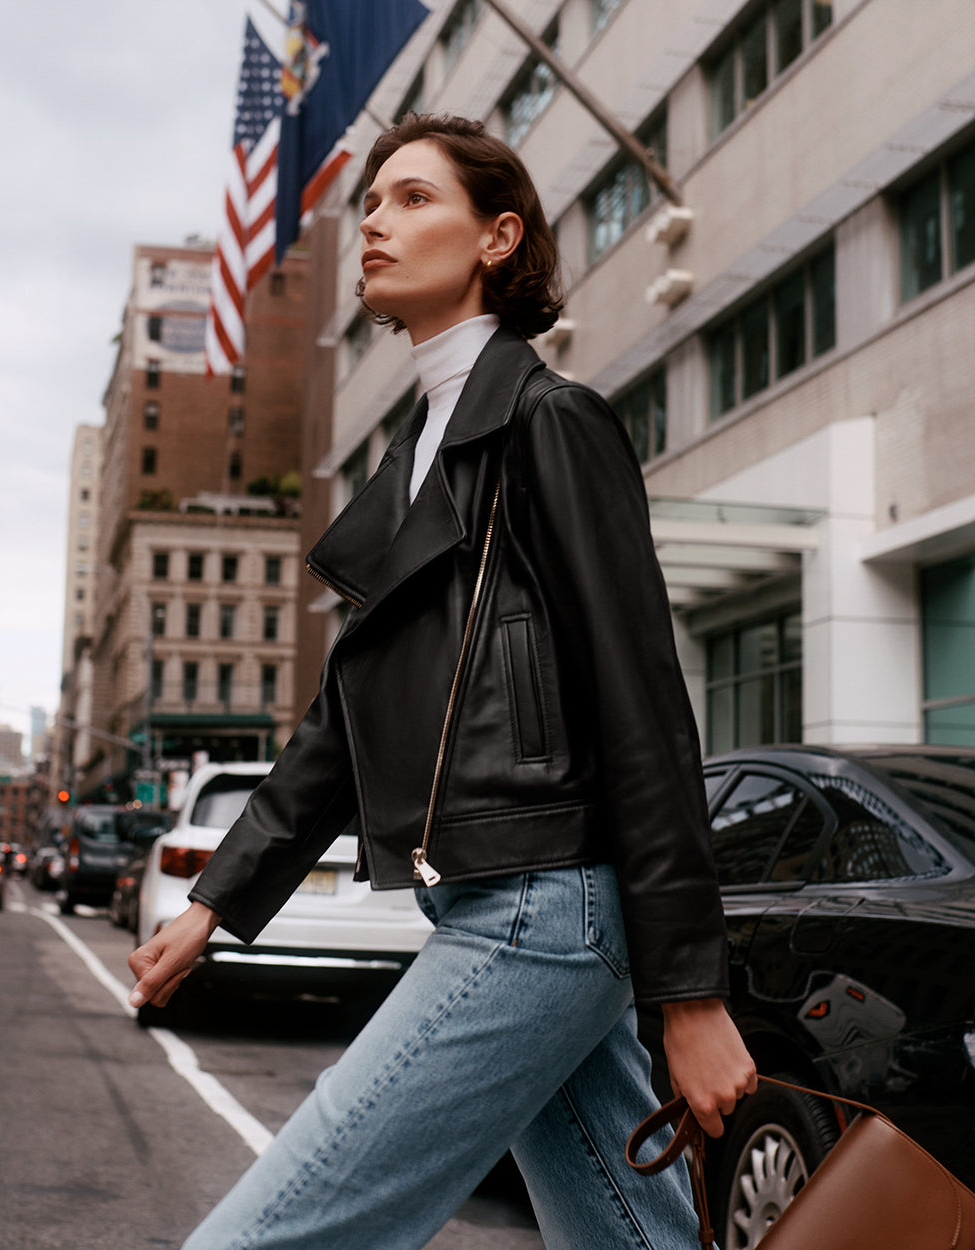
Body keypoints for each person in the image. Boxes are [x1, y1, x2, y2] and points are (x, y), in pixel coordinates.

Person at [129, 112, 756, 1250]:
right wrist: (216, 899)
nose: (375, 220)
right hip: (491, 898)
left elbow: (646, 705)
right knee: (632, 1233)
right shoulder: (416, 453)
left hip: (541, 909)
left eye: (414, 198)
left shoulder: (548, 424)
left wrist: (690, 991)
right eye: (371, 200)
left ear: (497, 238)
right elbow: (343, 721)